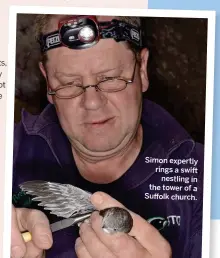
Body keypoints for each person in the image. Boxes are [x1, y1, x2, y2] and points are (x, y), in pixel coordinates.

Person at [11, 14, 204, 258]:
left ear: (142, 69)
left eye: (110, 78)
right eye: (69, 83)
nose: (92, 102)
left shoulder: (206, 179)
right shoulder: (7, 150)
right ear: (48, 81)